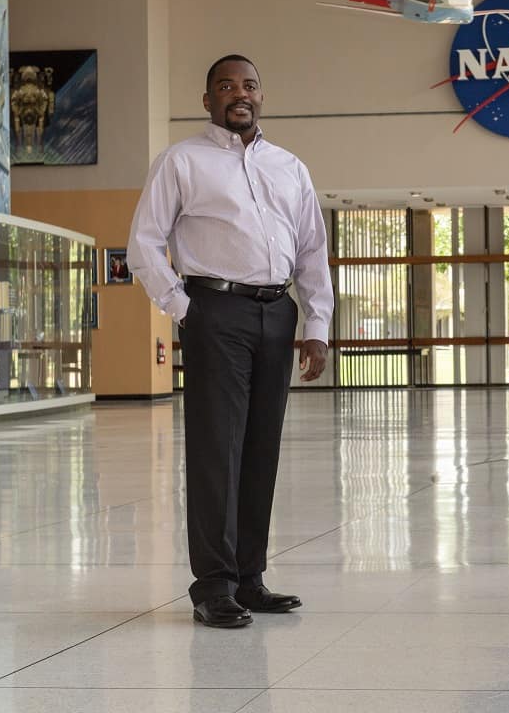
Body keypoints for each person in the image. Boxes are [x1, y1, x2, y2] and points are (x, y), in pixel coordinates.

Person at [127, 54, 333, 629]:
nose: (238, 94)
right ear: (208, 100)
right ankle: (212, 585)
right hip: (215, 309)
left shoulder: (290, 166)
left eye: (248, 85)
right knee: (219, 451)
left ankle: (249, 578)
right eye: (225, 85)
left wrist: (316, 326)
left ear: (262, 95)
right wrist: (185, 308)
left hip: (276, 313)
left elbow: (313, 249)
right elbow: (144, 243)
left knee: (261, 448)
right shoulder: (181, 161)